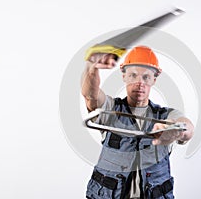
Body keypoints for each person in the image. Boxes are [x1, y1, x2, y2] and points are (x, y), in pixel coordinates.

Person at [81, 45, 194, 199]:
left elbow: (187, 128)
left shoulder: (166, 115)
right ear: (124, 76)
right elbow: (90, 95)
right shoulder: (111, 110)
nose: (140, 82)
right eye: (133, 75)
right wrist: (91, 67)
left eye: (146, 77)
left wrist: (175, 130)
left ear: (154, 79)